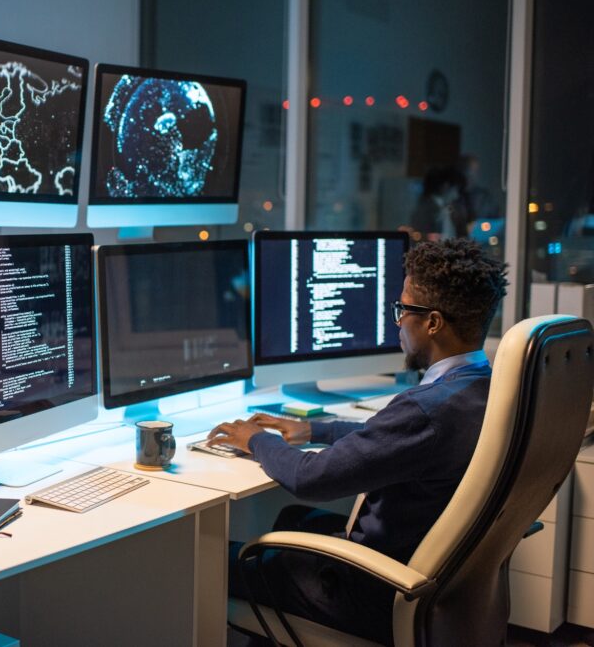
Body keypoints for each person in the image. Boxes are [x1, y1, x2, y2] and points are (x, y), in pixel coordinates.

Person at [206, 238, 508, 645]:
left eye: (403, 310)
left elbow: (310, 477)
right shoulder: (484, 390)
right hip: (439, 586)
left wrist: (255, 439)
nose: (397, 321)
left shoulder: (425, 410)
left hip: (374, 593)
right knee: (292, 520)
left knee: (209, 560)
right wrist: (316, 429)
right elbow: (399, 441)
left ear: (433, 323)